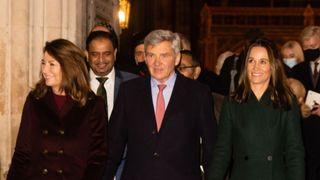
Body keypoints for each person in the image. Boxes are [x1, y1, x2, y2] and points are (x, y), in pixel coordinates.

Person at [105, 29, 217, 180]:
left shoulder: (198, 93)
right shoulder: (129, 91)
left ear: (177, 58)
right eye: (151, 55)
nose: (157, 62)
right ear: (145, 57)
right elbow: (113, 145)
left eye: (164, 55)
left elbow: (211, 147)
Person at [7, 39, 107, 180]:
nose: (45, 70)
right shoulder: (35, 100)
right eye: (43, 63)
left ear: (69, 67)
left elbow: (97, 158)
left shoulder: (93, 105)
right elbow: (22, 152)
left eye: (51, 64)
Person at [209, 38, 305, 180]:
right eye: (251, 61)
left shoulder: (286, 102)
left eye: (262, 62)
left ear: (272, 66)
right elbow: (222, 151)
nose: (255, 67)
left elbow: (294, 152)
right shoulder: (232, 102)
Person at [85, 31, 137, 180]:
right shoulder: (75, 86)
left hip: (125, 170)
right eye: (95, 54)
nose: (101, 60)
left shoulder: (134, 84)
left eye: (106, 54)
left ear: (115, 53)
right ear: (86, 54)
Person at [292, 25, 320, 180]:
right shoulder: (297, 70)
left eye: (313, 47)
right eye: (306, 47)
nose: (309, 50)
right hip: (305, 131)